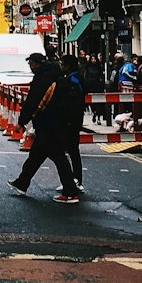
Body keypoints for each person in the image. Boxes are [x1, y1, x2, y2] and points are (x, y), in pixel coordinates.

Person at [8, 51, 80, 204]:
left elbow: (32, 102)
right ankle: (22, 183)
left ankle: (70, 192)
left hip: (49, 124)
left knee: (59, 158)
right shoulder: (55, 74)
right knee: (36, 155)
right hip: (54, 123)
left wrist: (21, 122)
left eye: (31, 63)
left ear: (37, 63)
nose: (30, 66)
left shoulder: (42, 79)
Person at [59, 53, 87, 190]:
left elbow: (71, 100)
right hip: (75, 118)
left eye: (62, 64)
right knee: (72, 150)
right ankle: (75, 180)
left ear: (68, 66)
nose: (61, 66)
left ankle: (74, 181)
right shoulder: (77, 77)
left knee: (71, 150)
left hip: (71, 120)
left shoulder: (72, 80)